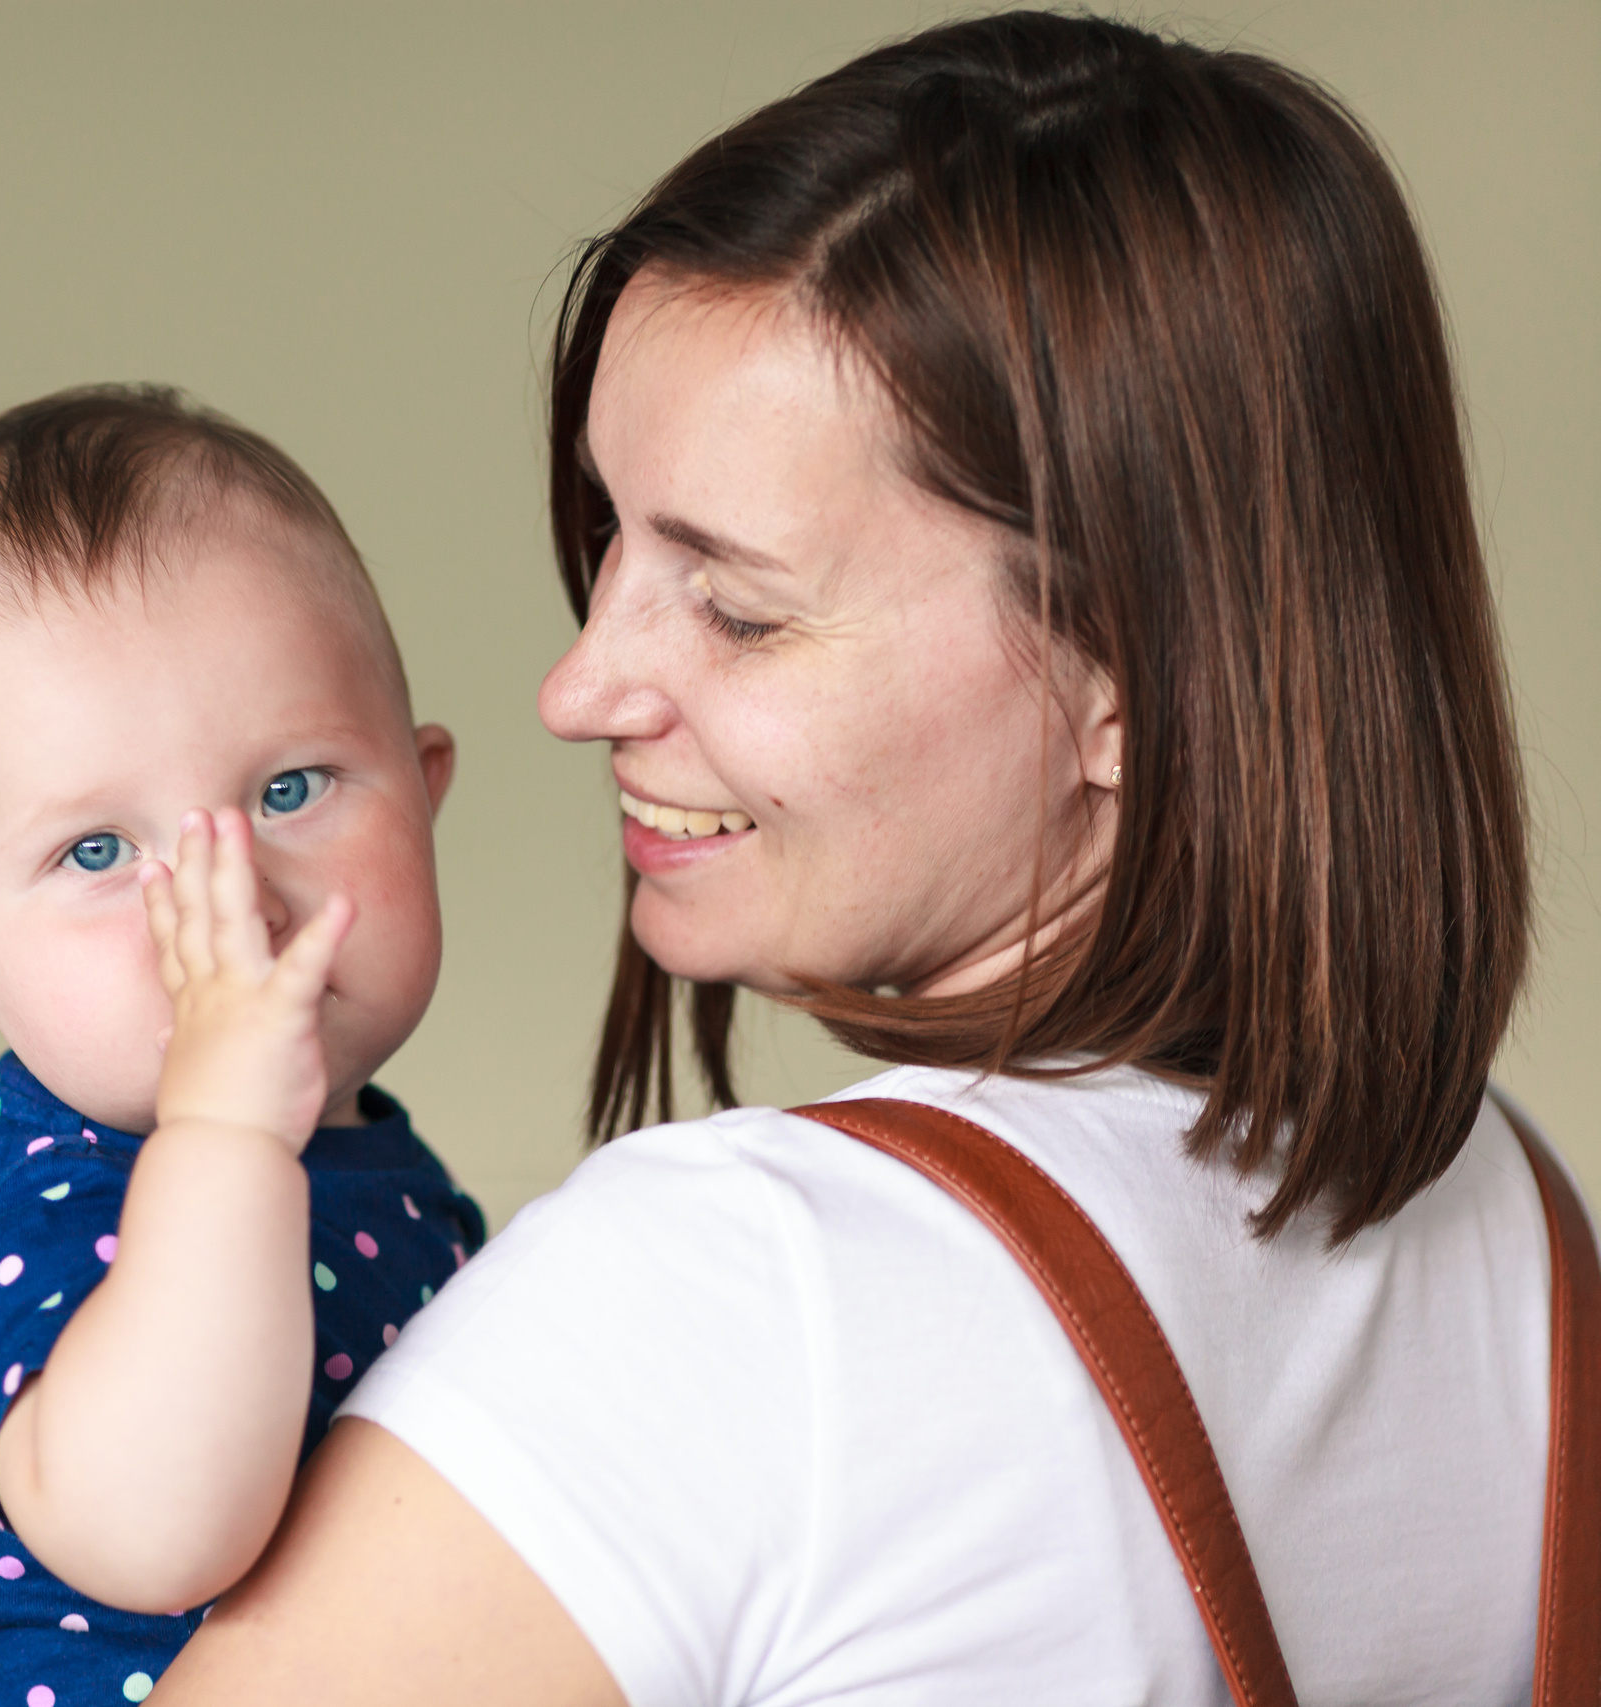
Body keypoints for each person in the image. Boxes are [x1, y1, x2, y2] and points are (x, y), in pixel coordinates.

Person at [150, 12, 1575, 1704]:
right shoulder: (1525, 1221)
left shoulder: (745, 1300)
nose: (577, 685)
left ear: (1137, 674)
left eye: (739, 607)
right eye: (609, 535)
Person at [0, 387, 484, 1705]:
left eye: (290, 789)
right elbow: (166, 1526)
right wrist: (226, 1131)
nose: (228, 897)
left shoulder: (393, 1180)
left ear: (424, 789)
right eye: (98, 851)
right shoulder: (29, 1206)